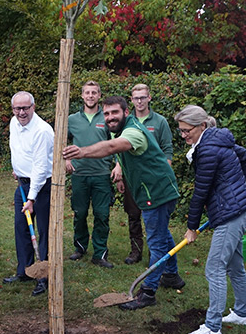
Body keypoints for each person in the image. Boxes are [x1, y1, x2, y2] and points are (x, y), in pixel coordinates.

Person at [63, 96, 185, 310]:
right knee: (163, 234)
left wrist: (82, 152)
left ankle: (147, 292)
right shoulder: (120, 128)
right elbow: (113, 142)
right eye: (107, 114)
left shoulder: (133, 132)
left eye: (115, 113)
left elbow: (112, 146)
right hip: (156, 190)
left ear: (126, 113)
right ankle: (172, 276)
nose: (110, 118)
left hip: (157, 192)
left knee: (156, 242)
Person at [174, 105, 246, 334]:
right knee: (234, 265)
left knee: (215, 268)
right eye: (181, 130)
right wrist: (243, 188)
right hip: (237, 209)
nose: (183, 135)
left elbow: (201, 191)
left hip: (231, 215)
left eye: (187, 130)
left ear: (202, 126)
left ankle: (212, 327)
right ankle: (242, 313)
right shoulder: (219, 140)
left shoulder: (208, 149)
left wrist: (191, 227)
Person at [114, 84, 175, 265]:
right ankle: (136, 251)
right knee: (133, 215)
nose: (139, 101)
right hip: (132, 178)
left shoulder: (159, 122)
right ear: (131, 100)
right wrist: (118, 167)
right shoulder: (126, 121)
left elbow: (168, 151)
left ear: (149, 98)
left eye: (143, 97)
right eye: (136, 98)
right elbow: (119, 147)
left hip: (154, 181)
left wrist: (163, 176)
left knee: (155, 220)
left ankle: (155, 255)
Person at [4, 91, 54, 297]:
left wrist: (32, 198)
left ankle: (44, 277)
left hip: (41, 187)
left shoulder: (42, 131)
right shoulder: (14, 124)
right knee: (22, 228)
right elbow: (16, 148)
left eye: (25, 108)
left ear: (33, 107)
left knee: (43, 231)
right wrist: (17, 168)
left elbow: (41, 168)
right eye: (17, 108)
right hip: (23, 184)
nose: (21, 112)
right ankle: (25, 270)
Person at [65, 80, 113, 268]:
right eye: (87, 92)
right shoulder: (72, 119)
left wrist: (117, 166)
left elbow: (116, 143)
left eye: (94, 92)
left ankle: (100, 253)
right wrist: (67, 160)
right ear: (82, 95)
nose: (91, 96)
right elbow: (61, 140)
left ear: (99, 95)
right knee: (80, 212)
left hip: (101, 173)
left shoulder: (107, 118)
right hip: (79, 174)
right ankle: (80, 247)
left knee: (102, 214)